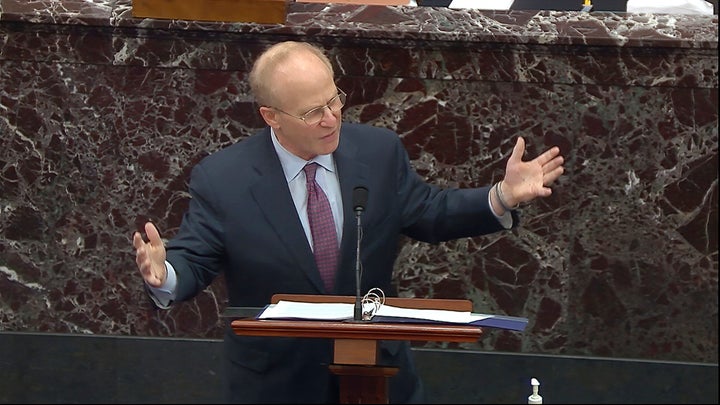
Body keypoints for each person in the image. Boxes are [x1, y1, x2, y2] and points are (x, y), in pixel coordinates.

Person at [132, 41, 564, 404]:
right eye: (312, 111)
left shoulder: (378, 152)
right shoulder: (223, 178)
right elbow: (196, 255)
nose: (331, 117)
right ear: (271, 117)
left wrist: (502, 197)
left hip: (377, 374)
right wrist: (163, 274)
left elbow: (430, 213)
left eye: (334, 98)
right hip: (274, 383)